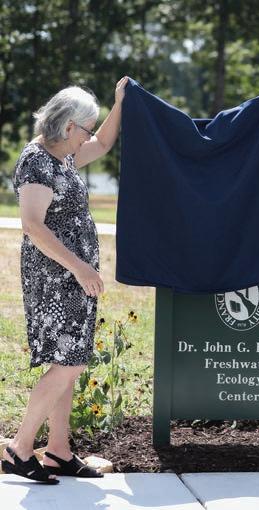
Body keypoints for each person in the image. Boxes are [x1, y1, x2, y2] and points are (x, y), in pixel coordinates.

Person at [2, 77, 128, 483]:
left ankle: (58, 450)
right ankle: (20, 449)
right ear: (69, 125)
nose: (88, 136)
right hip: (55, 278)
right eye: (85, 128)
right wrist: (80, 267)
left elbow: (103, 143)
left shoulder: (64, 157)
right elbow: (33, 226)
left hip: (72, 278)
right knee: (67, 363)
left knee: (68, 363)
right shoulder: (36, 161)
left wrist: (120, 102)